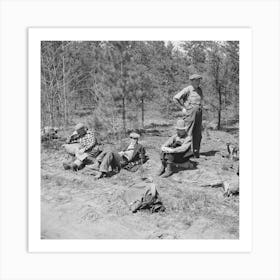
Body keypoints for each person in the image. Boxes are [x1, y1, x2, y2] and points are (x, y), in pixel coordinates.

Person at [173, 73, 203, 158]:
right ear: (192, 81)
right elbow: (175, 98)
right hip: (190, 113)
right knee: (188, 133)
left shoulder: (199, 90)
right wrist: (182, 108)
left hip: (198, 113)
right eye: (196, 80)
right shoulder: (187, 89)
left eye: (199, 80)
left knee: (198, 134)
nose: (198, 82)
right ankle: (185, 152)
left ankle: (196, 152)